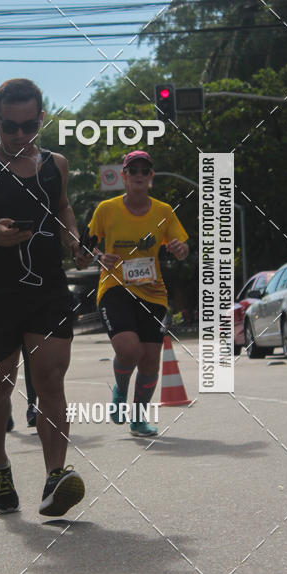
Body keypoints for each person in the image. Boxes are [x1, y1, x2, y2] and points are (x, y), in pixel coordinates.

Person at [0, 77, 86, 516]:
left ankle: (55, 478)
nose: (21, 136)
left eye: (30, 127)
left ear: (41, 120)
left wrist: (72, 236)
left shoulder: (56, 165)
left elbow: (62, 206)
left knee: (50, 379)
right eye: (11, 127)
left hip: (48, 288)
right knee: (0, 383)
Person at [87, 150, 189, 437]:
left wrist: (181, 249)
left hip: (153, 294)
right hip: (115, 287)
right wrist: (97, 257)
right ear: (124, 177)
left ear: (151, 178)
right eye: (134, 171)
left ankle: (138, 418)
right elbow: (85, 246)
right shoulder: (106, 209)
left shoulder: (164, 212)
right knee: (128, 349)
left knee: (149, 360)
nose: (140, 175)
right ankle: (120, 390)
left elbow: (180, 245)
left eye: (145, 171)